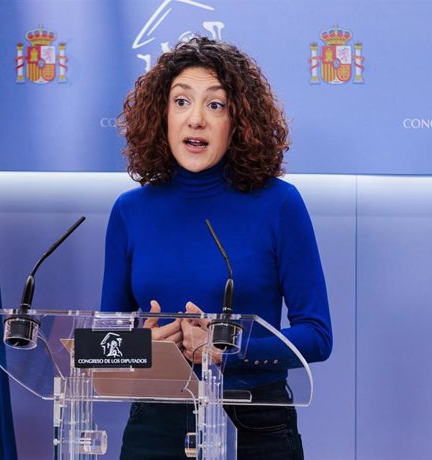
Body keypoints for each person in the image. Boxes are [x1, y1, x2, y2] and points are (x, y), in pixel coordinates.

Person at [100, 37, 332, 460]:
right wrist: (141, 350)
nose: (195, 120)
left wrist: (231, 350)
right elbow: (103, 343)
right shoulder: (130, 211)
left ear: (239, 120)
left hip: (256, 423)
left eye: (215, 105)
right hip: (156, 423)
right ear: (161, 115)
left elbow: (317, 336)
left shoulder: (280, 204)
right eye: (182, 102)